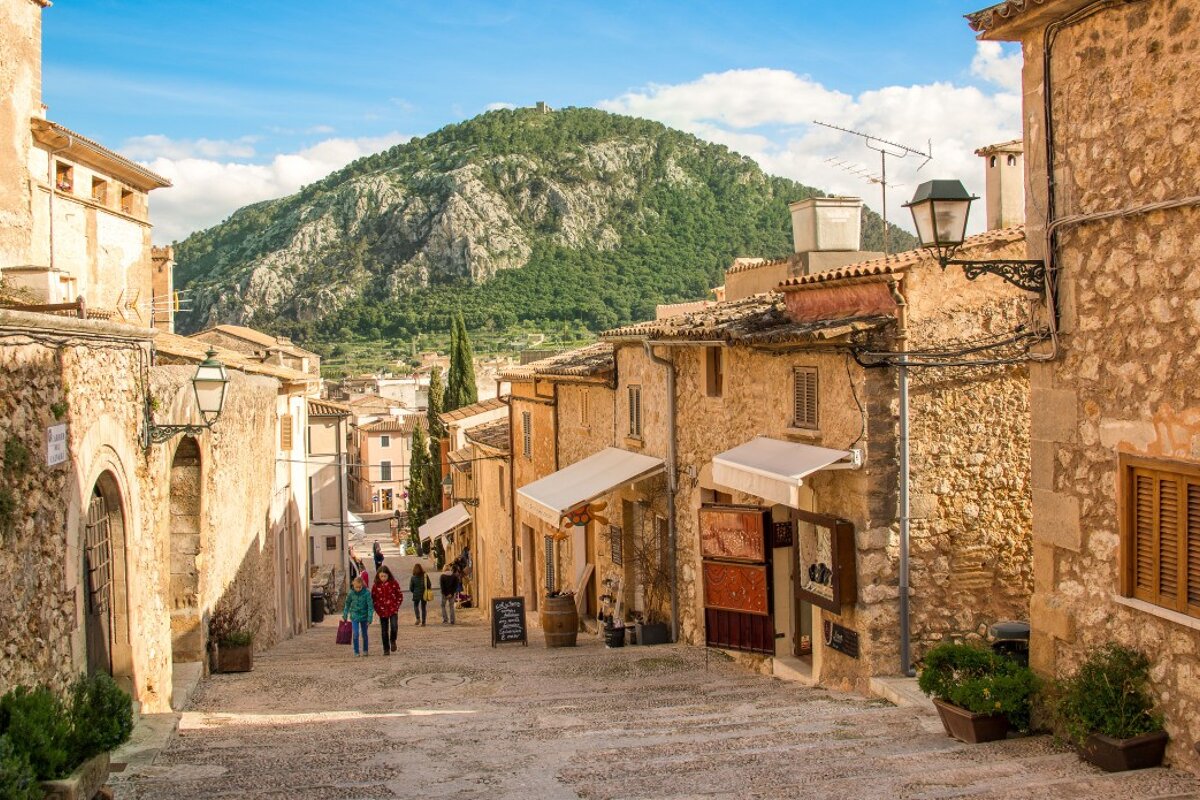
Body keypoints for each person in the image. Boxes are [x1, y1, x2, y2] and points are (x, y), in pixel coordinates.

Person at [371, 565, 403, 655]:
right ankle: (386, 649)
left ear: (388, 575)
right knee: (384, 631)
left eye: (385, 576)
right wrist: (377, 608)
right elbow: (373, 598)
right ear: (378, 576)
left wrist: (396, 606)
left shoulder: (394, 583)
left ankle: (393, 640)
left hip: (393, 609)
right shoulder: (376, 586)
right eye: (381, 576)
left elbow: (399, 595)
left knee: (394, 626)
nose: (383, 578)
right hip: (382, 611)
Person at [341, 576, 374, 656]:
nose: (358, 589)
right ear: (353, 585)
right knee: (355, 633)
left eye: (360, 587)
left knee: (364, 634)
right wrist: (345, 614)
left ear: (362, 585)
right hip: (354, 615)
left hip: (364, 616)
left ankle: (365, 650)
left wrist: (370, 618)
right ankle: (356, 651)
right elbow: (347, 604)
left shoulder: (367, 593)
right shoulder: (351, 593)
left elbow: (370, 606)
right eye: (356, 587)